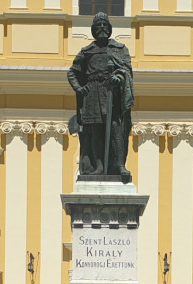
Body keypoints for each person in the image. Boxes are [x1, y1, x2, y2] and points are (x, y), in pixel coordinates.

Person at [67, 11, 133, 178]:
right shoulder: (87, 51)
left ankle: (120, 165)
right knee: (95, 131)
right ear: (93, 30)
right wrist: (78, 88)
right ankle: (99, 166)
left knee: (116, 128)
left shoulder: (119, 49)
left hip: (111, 93)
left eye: (105, 25)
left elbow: (126, 70)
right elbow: (72, 72)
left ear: (109, 28)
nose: (102, 28)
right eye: (98, 25)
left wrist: (119, 78)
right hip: (92, 94)